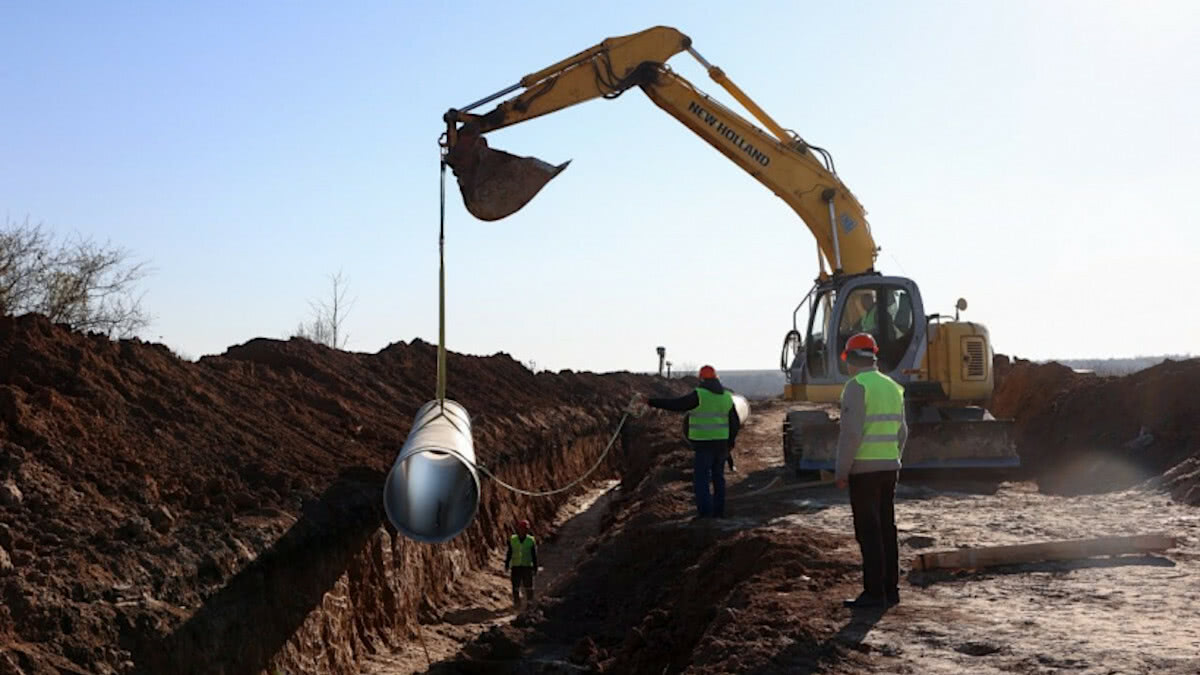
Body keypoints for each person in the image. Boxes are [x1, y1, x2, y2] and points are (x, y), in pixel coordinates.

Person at [835, 333, 907, 609]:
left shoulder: (856, 386)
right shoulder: (893, 387)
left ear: (851, 359)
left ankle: (874, 593)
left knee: (869, 531)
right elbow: (903, 432)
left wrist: (842, 471)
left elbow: (851, 434)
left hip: (864, 471)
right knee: (887, 528)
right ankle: (891, 589)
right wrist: (892, 459)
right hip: (889, 468)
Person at [642, 365, 741, 519]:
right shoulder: (727, 397)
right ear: (716, 379)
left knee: (702, 480)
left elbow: (676, 404)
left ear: (701, 379)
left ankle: (705, 514)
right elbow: (734, 422)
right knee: (718, 478)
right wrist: (731, 442)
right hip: (721, 444)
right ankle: (718, 512)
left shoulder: (699, 395)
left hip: (703, 445)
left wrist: (651, 402)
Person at [503, 519, 538, 608]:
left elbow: (534, 555)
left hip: (527, 566)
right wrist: (507, 564)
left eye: (525, 529)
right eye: (522, 529)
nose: (523, 531)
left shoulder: (531, 540)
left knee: (528, 586)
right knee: (515, 586)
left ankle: (529, 603)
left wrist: (535, 567)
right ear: (518, 529)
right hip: (516, 566)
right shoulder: (513, 539)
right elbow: (509, 552)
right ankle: (517, 603)